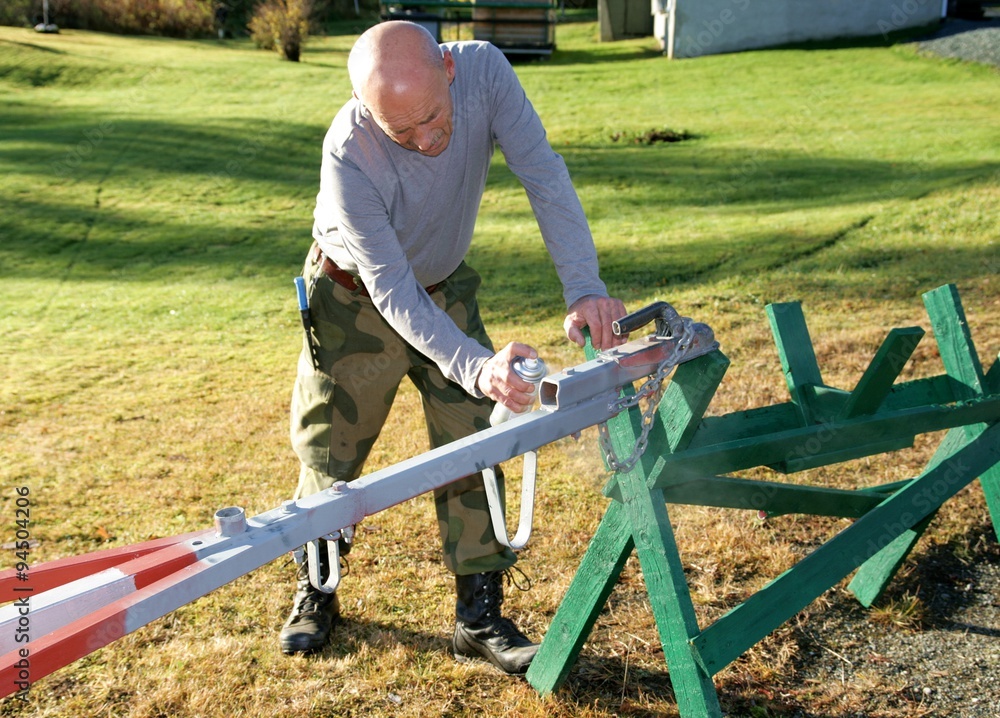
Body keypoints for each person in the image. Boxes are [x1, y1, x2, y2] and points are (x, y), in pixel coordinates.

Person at [281, 20, 627, 676]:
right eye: (400, 131)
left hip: (443, 280)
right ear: (364, 111)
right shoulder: (347, 154)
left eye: (434, 118)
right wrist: (475, 363)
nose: (427, 140)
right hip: (354, 296)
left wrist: (584, 287)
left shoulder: (487, 73)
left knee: (476, 435)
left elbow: (544, 177)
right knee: (333, 448)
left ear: (448, 66)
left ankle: (479, 614)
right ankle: (317, 588)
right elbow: (392, 293)